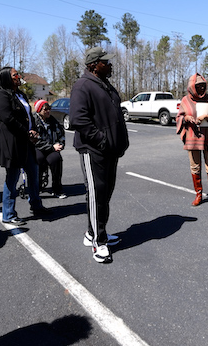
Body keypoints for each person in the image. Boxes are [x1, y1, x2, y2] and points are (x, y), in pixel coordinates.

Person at [69, 47, 129, 263]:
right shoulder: (82, 86)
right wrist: (102, 140)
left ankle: (92, 233)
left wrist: (120, 141)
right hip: (94, 150)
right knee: (96, 195)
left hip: (110, 151)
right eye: (106, 61)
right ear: (94, 65)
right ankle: (98, 243)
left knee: (104, 196)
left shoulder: (105, 85)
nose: (111, 64)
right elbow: (78, 119)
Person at [0, 67, 50, 226]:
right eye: (15, 75)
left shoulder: (20, 94)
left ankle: (36, 205)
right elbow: (8, 119)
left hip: (26, 141)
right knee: (13, 176)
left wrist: (33, 131)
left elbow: (29, 116)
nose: (19, 77)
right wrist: (26, 132)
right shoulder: (2, 95)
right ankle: (8, 214)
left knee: (34, 172)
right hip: (12, 142)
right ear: (7, 78)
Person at [176, 73, 208, 211]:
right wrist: (187, 118)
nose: (202, 89)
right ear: (192, 87)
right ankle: (198, 195)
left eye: (204, 86)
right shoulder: (186, 100)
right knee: (195, 167)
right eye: (198, 86)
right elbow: (179, 117)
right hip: (193, 138)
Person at [33, 99, 66, 199]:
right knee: (38, 159)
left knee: (56, 159)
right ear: (39, 110)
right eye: (45, 109)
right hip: (39, 148)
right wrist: (51, 147)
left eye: (49, 109)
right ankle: (36, 187)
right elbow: (36, 142)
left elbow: (61, 134)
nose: (48, 111)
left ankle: (57, 189)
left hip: (51, 148)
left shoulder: (53, 120)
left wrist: (60, 144)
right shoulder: (34, 121)